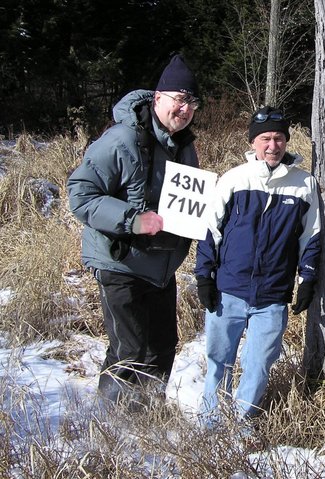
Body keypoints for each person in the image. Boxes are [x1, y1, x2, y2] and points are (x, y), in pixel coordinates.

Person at [67, 54, 201, 406]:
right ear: (158, 98)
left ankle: (147, 422)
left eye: (192, 102)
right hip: (121, 262)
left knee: (161, 348)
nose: (185, 108)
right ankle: (111, 427)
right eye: (179, 99)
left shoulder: (184, 146)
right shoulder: (121, 139)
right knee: (130, 349)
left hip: (161, 267)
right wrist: (132, 219)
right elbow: (80, 194)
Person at [195, 106, 321, 424]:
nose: (272, 145)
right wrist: (204, 277)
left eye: (278, 138)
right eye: (265, 138)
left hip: (272, 295)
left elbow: (311, 236)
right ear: (253, 142)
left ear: (286, 141)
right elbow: (210, 231)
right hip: (229, 290)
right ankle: (209, 424)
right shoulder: (235, 179)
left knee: (259, 363)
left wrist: (307, 279)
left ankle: (241, 423)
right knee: (218, 361)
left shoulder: (304, 184)